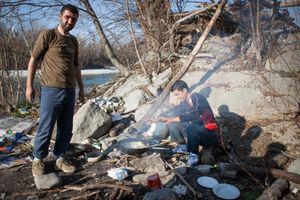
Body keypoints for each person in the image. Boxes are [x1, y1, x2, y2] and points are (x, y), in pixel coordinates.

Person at [25, 4, 84, 176]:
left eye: (73, 18)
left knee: (66, 128)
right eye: (67, 17)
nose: (70, 21)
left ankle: (59, 157)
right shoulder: (48, 35)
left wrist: (81, 88)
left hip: (69, 90)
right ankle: (38, 160)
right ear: (60, 16)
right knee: (46, 126)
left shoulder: (73, 41)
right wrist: (29, 86)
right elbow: (34, 60)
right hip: (50, 89)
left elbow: (76, 66)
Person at [158, 80, 218, 166]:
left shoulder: (197, 97)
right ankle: (183, 145)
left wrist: (174, 119)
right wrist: (159, 117)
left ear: (185, 90)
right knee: (172, 122)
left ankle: (194, 154)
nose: (177, 97)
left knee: (190, 127)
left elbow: (195, 112)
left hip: (208, 134)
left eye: (177, 94)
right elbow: (174, 110)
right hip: (198, 133)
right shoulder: (185, 103)